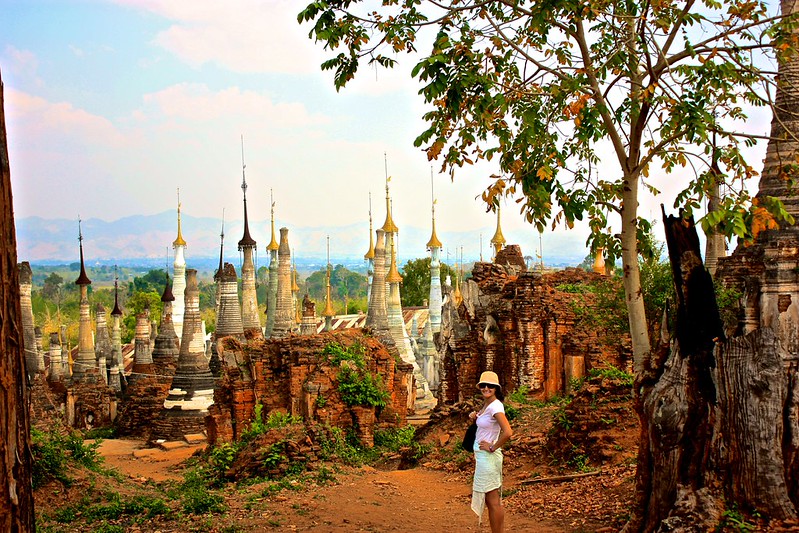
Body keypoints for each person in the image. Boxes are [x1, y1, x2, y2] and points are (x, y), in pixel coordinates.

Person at [468, 370, 513, 533]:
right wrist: (476, 417)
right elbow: (487, 424)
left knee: (493, 500)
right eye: (483, 385)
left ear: (496, 388)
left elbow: (508, 432)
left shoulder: (495, 406)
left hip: (488, 457)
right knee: (491, 500)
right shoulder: (488, 404)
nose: (486, 388)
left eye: (490, 386)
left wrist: (493, 447)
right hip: (483, 457)